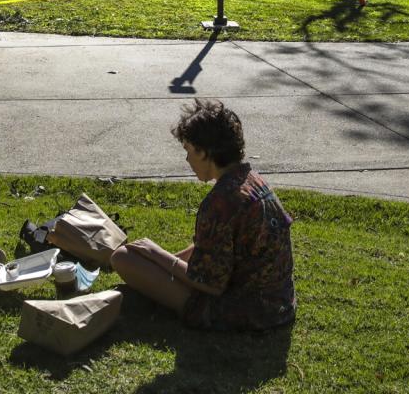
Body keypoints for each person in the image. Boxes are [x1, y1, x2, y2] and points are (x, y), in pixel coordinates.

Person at [110, 99, 296, 331]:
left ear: (204, 152)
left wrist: (156, 254)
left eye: (188, 151)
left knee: (122, 258)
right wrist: (162, 261)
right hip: (280, 305)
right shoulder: (251, 180)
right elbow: (210, 249)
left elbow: (210, 285)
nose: (187, 160)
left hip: (247, 312)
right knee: (139, 260)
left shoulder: (220, 203)